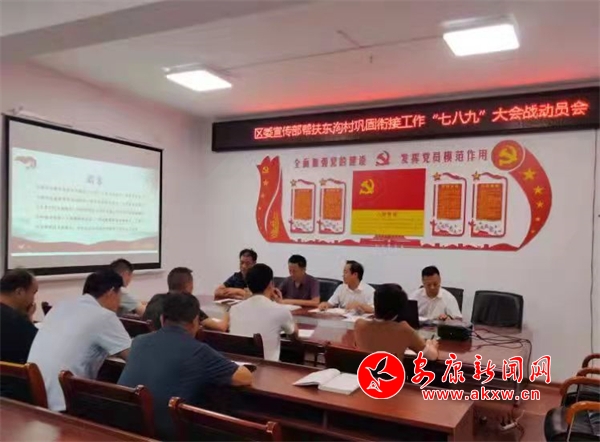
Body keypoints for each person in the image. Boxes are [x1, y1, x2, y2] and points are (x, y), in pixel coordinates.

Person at [119, 292, 252, 440]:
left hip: (124, 428)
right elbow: (244, 378)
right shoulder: (199, 351)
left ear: (162, 319)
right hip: (165, 435)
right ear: (196, 322)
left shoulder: (138, 342)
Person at [28, 270, 131, 411]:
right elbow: (133, 358)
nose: (120, 302)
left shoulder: (61, 306)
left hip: (33, 395)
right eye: (120, 295)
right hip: (63, 403)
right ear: (111, 292)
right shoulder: (103, 316)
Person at [229, 263, 298, 361]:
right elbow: (295, 337)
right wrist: (281, 305)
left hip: (238, 365)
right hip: (267, 367)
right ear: (270, 284)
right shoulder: (280, 310)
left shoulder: (234, 309)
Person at [354, 284, 439, 360]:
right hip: (393, 373)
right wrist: (431, 345)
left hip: (364, 372)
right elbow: (431, 356)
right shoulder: (403, 329)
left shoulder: (359, 325)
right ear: (400, 309)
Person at [143, 267, 228, 332]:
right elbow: (221, 327)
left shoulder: (156, 298)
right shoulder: (187, 304)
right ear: (189, 286)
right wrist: (227, 308)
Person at [0, 269, 39, 364]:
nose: (33, 299)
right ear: (19, 292)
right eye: (33, 293)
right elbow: (38, 346)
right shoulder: (15, 321)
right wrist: (28, 319)